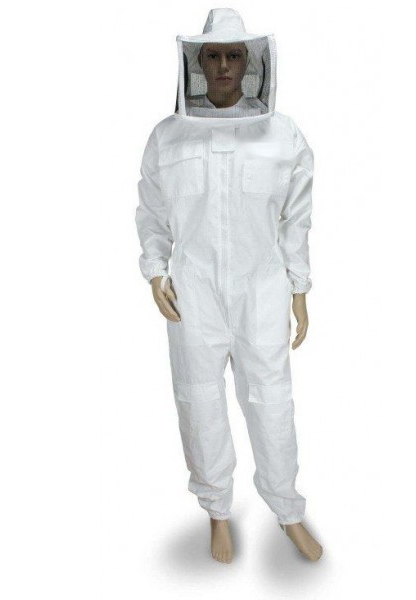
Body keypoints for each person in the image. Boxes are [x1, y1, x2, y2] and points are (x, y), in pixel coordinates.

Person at [135, 8, 322, 563]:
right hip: (192, 291)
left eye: (234, 55)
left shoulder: (281, 134)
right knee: (199, 399)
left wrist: (299, 287)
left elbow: (297, 216)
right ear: (196, 61)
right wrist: (155, 271)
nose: (222, 65)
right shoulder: (168, 136)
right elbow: (151, 211)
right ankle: (217, 511)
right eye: (213, 55)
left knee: (272, 401)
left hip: (261, 286)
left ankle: (288, 511)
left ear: (251, 61)